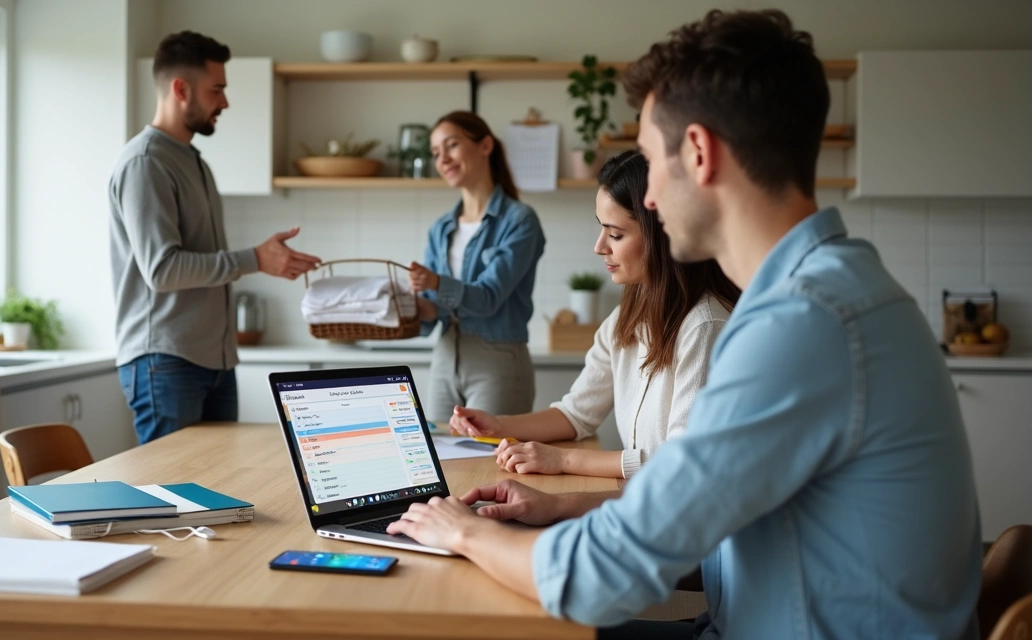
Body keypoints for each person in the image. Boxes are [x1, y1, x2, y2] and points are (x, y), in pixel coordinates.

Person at [389, 9, 982, 639]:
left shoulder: (799, 323)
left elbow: (600, 579)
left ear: (698, 152)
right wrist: (557, 507)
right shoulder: (833, 289)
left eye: (651, 158)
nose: (646, 199)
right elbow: (703, 528)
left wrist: (462, 529)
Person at [450, 150, 739, 480]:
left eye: (615, 234)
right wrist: (499, 426)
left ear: (664, 233)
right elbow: (576, 414)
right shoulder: (624, 319)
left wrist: (565, 460)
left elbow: (679, 461)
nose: (600, 246)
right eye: (602, 229)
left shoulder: (705, 327)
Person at [109, 31, 320, 445]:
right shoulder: (146, 162)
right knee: (172, 501)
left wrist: (258, 259)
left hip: (213, 361)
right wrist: (254, 259)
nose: (224, 102)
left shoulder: (193, 162)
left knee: (217, 494)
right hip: (165, 362)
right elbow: (163, 270)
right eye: (217, 89)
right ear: (181, 89)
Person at [409, 111, 546, 420]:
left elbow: (488, 297)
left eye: (452, 145)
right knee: (442, 458)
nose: (442, 158)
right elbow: (435, 309)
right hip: (445, 357)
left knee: (491, 462)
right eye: (435, 152)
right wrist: (402, 304)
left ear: (485, 146)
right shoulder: (440, 228)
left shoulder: (520, 220)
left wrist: (433, 283)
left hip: (497, 360)